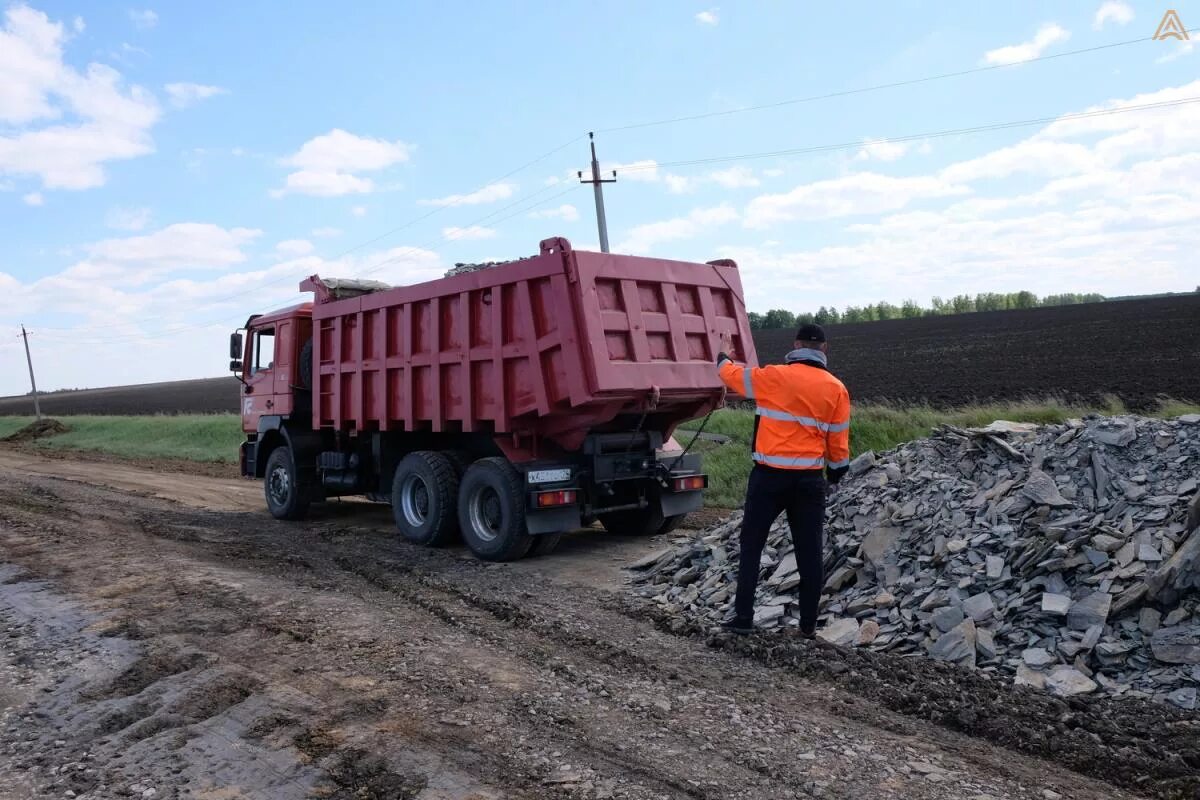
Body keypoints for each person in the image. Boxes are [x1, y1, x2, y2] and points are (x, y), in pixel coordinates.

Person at [716, 323, 851, 637]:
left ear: (795, 344)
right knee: (809, 553)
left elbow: (731, 376)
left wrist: (723, 354)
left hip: (768, 479)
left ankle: (743, 619)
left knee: (751, 546)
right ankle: (806, 628)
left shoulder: (774, 376)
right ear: (824, 350)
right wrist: (835, 473)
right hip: (809, 483)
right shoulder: (836, 389)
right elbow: (838, 442)